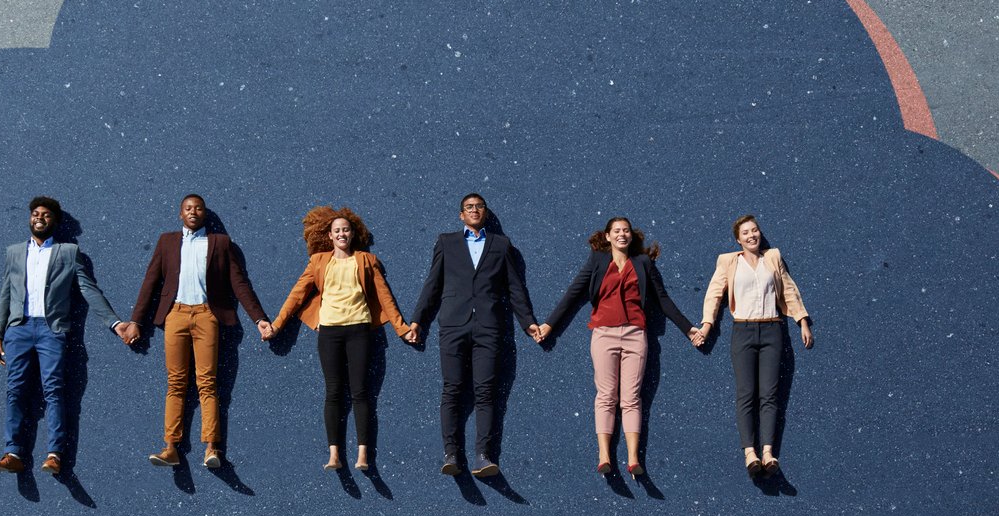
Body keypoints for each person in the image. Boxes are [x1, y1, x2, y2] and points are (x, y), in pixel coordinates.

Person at [0, 196, 136, 475]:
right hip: (18, 330)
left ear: (53, 220)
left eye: (45, 214)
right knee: (15, 391)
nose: (39, 217)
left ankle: (54, 454)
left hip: (51, 330)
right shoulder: (14, 252)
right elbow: (6, 293)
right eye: (35, 213)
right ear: (30, 218)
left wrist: (115, 324)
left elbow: (88, 289)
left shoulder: (68, 252)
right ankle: (12, 453)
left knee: (54, 391)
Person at [544, 216, 698, 477]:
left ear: (631, 236)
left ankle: (633, 457)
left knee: (631, 398)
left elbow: (662, 299)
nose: (622, 234)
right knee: (606, 396)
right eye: (616, 231)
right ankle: (604, 454)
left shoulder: (643, 263)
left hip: (635, 334)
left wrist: (688, 328)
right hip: (603, 333)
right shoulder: (597, 260)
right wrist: (549, 324)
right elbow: (574, 292)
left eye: (626, 230)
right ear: (607, 236)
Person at [266, 207, 416, 473]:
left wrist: (401, 328)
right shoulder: (318, 261)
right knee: (333, 391)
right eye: (337, 231)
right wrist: (276, 325)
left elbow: (385, 297)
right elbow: (296, 295)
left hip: (359, 329)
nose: (342, 234)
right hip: (330, 331)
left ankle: (362, 454)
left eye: (346, 229)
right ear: (330, 235)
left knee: (360, 391)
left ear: (352, 233)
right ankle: (334, 454)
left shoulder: (367, 260)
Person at [407, 192, 545, 477]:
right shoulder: (447, 242)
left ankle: (483, 456)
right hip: (453, 325)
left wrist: (527, 321)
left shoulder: (501, 244)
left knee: (486, 392)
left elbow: (515, 288)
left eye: (479, 206)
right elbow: (432, 284)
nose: (474, 210)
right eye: (469, 207)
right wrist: (418, 320)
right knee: (452, 389)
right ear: (461, 215)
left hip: (488, 327)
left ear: (485, 212)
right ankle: (451, 454)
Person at [129, 193, 271, 470]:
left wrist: (259, 319)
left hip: (207, 315)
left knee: (207, 382)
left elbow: (239, 283)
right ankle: (170, 447)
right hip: (175, 315)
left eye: (198, 208)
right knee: (176, 382)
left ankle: (211, 448)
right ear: (180, 213)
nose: (193, 212)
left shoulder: (219, 243)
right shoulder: (167, 241)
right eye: (188, 208)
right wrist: (136, 320)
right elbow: (150, 282)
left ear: (204, 213)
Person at [692, 214, 815, 475]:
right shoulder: (728, 262)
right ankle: (750, 453)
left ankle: (768, 452)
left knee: (769, 394)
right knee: (746, 393)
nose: (751, 235)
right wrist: (707, 324)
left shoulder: (773, 257)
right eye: (745, 233)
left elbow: (789, 290)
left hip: (773, 329)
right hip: (743, 330)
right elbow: (714, 293)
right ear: (738, 239)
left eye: (755, 230)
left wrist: (802, 321)